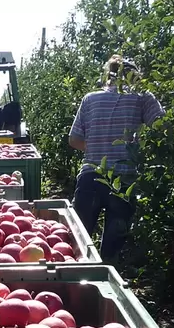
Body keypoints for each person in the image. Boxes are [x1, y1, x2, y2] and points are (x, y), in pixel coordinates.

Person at [68, 55, 165, 261]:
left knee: (76, 240)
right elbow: (162, 130)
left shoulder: (90, 98)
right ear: (134, 75)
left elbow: (74, 139)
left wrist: (96, 147)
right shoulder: (142, 97)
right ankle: (105, 285)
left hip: (91, 176)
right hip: (124, 181)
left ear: (108, 74)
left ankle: (74, 283)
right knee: (112, 249)